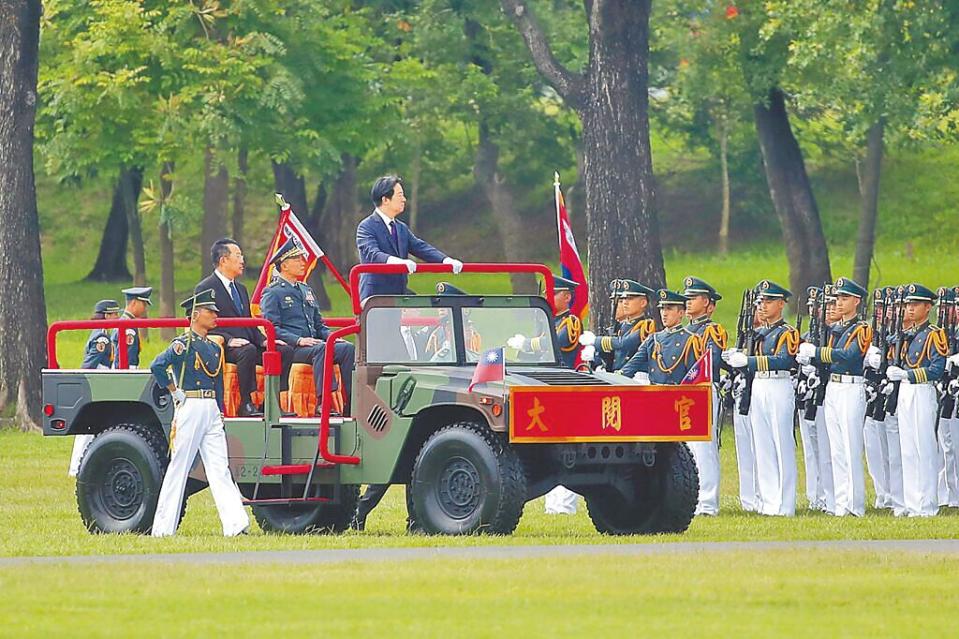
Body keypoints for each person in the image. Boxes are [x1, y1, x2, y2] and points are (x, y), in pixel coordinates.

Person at [150, 288, 249, 537]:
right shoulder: (183, 345)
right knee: (179, 466)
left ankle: (235, 525)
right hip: (191, 405)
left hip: (210, 408)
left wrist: (221, 411)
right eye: (210, 311)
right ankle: (163, 527)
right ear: (195, 315)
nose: (215, 315)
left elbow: (217, 383)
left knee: (219, 467)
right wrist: (174, 391)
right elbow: (158, 366)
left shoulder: (213, 348)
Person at [723, 280, 799, 517]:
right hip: (759, 385)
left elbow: (785, 360)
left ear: (781, 304)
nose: (763, 306)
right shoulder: (758, 334)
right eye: (760, 302)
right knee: (763, 444)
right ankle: (768, 502)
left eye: (768, 301)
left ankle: (785, 504)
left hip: (778, 383)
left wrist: (750, 361)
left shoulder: (788, 332)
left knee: (781, 443)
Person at [799, 277, 871, 517]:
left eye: (844, 298)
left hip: (852, 387)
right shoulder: (834, 330)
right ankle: (841, 503)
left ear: (857, 301)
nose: (839, 303)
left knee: (850, 448)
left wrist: (817, 353)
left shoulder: (861, 329)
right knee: (837, 449)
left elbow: (849, 356)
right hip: (833, 388)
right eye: (837, 298)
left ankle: (854, 505)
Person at [196, 238, 292, 416]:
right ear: (223, 260)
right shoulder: (205, 288)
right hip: (224, 347)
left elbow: (249, 321)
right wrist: (229, 339)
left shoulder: (241, 288)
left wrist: (265, 340)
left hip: (248, 343)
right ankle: (246, 403)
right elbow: (201, 324)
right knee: (246, 351)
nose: (242, 260)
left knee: (283, 351)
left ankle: (270, 402)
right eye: (238, 255)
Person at [260, 237, 355, 416]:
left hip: (314, 344)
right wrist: (299, 340)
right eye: (297, 259)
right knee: (322, 349)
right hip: (293, 347)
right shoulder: (272, 292)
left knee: (347, 349)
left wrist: (333, 336)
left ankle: (351, 401)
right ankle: (323, 402)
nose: (303, 263)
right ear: (284, 265)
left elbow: (319, 324)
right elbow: (272, 328)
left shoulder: (306, 290)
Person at [880, 283, 948, 517]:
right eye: (908, 304)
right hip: (906, 391)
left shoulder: (934, 334)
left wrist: (908, 374)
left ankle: (927, 504)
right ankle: (911, 503)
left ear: (927, 307)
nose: (909, 308)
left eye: (915, 304)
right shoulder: (904, 335)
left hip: (921, 390)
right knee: (907, 448)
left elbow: (937, 368)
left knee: (924, 447)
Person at [355, 175, 463, 303]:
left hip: (398, 296)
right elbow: (373, 254)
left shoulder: (401, 228)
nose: (404, 199)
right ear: (385, 199)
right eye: (400, 195)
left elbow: (420, 247)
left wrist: (446, 260)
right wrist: (398, 262)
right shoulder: (366, 226)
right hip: (375, 299)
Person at [682, 276, 727, 516]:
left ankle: (707, 502)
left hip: (703, 388)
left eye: (694, 298)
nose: (688, 302)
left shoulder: (711, 330)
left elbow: (712, 360)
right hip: (684, 391)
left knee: (704, 447)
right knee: (686, 448)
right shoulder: (683, 330)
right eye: (686, 298)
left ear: (709, 304)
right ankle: (690, 497)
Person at [68, 299, 121, 477]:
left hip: (98, 381)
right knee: (89, 428)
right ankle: (77, 466)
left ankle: (79, 465)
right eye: (114, 314)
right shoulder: (102, 338)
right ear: (106, 315)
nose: (117, 317)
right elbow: (90, 365)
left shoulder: (100, 334)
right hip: (97, 382)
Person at [796, 286, 835, 513]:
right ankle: (815, 496)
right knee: (811, 449)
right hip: (808, 395)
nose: (818, 311)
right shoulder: (811, 336)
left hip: (826, 394)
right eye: (813, 307)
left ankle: (829, 497)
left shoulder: (833, 335)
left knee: (827, 448)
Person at [620, 289, 702, 384]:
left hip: (677, 395)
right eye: (662, 308)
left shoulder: (690, 340)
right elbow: (631, 366)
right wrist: (615, 378)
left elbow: (694, 378)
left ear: (681, 313)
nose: (664, 313)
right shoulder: (653, 339)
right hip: (653, 393)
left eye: (669, 309)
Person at [579, 279, 656, 371]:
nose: (625, 303)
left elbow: (624, 343)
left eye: (630, 299)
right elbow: (614, 354)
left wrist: (596, 341)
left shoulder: (646, 327)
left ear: (643, 303)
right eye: (623, 299)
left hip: (635, 376)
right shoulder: (622, 326)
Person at [113, 286, 152, 368]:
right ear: (134, 302)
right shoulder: (128, 327)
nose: (145, 308)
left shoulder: (123, 321)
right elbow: (129, 354)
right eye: (143, 304)